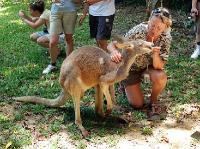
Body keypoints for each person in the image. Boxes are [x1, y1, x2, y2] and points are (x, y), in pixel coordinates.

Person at [108, 7, 172, 119]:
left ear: (165, 27)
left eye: (159, 28)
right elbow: (112, 45)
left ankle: (153, 102)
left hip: (147, 68)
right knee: (137, 104)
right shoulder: (137, 31)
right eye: (152, 25)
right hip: (130, 69)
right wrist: (114, 52)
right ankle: (123, 84)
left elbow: (159, 66)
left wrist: (155, 54)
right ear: (149, 21)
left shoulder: (165, 38)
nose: (154, 30)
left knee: (160, 76)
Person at [42, 0, 80, 74]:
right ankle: (53, 64)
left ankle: (69, 65)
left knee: (68, 39)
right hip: (55, 11)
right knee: (53, 41)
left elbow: (79, 1)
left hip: (70, 11)